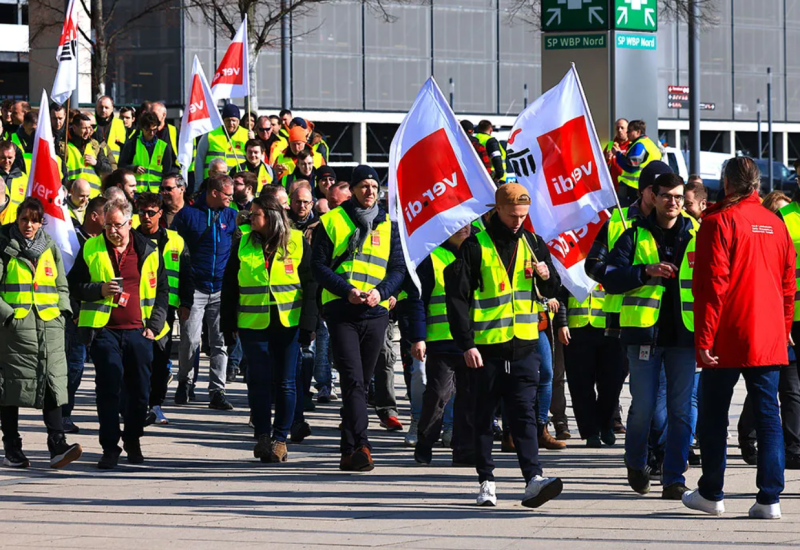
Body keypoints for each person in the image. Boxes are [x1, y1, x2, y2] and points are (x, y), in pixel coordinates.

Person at [683, 156, 795, 520]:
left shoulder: (718, 222)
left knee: (714, 414)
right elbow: (787, 285)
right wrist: (783, 326)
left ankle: (712, 492)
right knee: (768, 416)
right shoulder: (776, 224)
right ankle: (769, 499)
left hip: (728, 334)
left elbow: (714, 285)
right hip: (768, 334)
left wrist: (705, 337)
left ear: (726, 184)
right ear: (757, 185)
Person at [445, 184, 562, 508]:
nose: (517, 221)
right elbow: (457, 299)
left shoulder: (534, 243)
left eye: (523, 216)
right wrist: (466, 344)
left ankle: (533, 479)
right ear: (497, 209)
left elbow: (554, 288)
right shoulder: (475, 247)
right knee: (483, 418)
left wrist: (546, 275)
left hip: (525, 347)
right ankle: (486, 481)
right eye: (512, 215)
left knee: (523, 416)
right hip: (486, 351)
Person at [604, 172, 698, 499]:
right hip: (643, 333)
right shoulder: (634, 234)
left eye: (677, 196)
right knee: (643, 406)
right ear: (653, 197)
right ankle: (635, 462)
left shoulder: (697, 233)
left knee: (681, 409)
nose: (672, 202)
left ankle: (674, 477)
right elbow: (610, 277)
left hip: (685, 336)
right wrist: (646, 271)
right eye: (666, 196)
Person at [311, 164, 406, 471]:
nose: (370, 192)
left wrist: (382, 291)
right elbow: (319, 267)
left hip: (375, 312)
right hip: (342, 311)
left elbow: (398, 269)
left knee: (362, 385)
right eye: (364, 186)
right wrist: (347, 290)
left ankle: (347, 450)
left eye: (375, 187)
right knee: (352, 381)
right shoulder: (332, 221)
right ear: (351, 189)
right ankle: (362, 446)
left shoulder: (389, 224)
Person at [69, 198, 169, 469]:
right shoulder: (91, 247)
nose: (112, 230)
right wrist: (99, 290)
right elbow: (75, 286)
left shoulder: (148, 249)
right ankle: (110, 447)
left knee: (139, 391)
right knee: (109, 389)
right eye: (108, 225)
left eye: (118, 225)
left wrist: (154, 326)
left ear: (130, 222)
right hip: (105, 331)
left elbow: (162, 290)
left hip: (140, 331)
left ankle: (133, 440)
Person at [221, 194, 317, 461]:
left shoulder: (296, 241)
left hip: (288, 324)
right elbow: (230, 286)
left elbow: (311, 285)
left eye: (256, 214)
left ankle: (280, 438)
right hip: (253, 324)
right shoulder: (242, 243)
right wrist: (227, 324)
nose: (250, 219)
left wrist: (309, 324)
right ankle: (263, 435)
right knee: (258, 382)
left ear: (272, 216)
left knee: (286, 382)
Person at [0, 197, 83, 469]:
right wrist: (9, 316)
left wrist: (63, 313)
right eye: (24, 219)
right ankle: (12, 447)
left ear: (41, 222)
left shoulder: (50, 247)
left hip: (50, 326)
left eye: (34, 220)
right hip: (16, 330)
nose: (29, 225)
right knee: (11, 388)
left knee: (53, 384)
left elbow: (61, 285)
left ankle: (57, 444)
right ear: (17, 219)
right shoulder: (4, 246)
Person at [410, 223, 476, 466]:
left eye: (468, 222)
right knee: (438, 395)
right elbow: (418, 299)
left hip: (473, 341)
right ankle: (425, 444)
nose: (464, 227)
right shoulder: (432, 256)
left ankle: (464, 450)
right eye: (457, 223)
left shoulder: (478, 252)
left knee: (469, 397)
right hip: (441, 340)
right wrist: (418, 337)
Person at [172, 174, 238, 410]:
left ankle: (217, 391)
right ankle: (185, 383)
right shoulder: (188, 215)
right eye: (227, 194)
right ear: (214, 193)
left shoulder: (232, 216)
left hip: (221, 289)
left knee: (220, 342)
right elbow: (174, 248)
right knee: (189, 340)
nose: (232, 198)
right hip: (195, 289)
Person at [134, 193, 193, 426]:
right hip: (135, 309)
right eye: (142, 212)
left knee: (160, 360)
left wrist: (185, 303)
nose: (146, 217)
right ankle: (134, 403)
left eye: (151, 212)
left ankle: (155, 405)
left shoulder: (176, 240)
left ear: (160, 213)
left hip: (164, 309)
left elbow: (187, 273)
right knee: (137, 361)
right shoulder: (131, 239)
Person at [555, 283, 625, 447]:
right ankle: (590, 432)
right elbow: (561, 293)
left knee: (611, 383)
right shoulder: (571, 260)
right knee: (580, 386)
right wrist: (562, 323)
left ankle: (606, 424)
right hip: (577, 329)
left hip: (611, 328)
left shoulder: (613, 257)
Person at [62, 196, 107, 434]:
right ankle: (63, 415)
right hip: (78, 318)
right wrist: (75, 311)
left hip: (104, 317)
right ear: (94, 216)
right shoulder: (70, 239)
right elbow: (67, 281)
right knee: (74, 368)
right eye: (105, 216)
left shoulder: (106, 242)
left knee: (108, 369)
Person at [119, 111, 175, 195]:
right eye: (148, 130)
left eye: (154, 130)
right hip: (137, 192)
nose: (152, 133)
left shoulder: (164, 146)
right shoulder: (132, 144)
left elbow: (167, 173)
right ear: (142, 128)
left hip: (157, 192)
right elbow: (121, 165)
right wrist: (133, 168)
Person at [615, 120, 662, 206]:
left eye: (629, 130)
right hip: (644, 187)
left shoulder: (639, 144)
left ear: (638, 132)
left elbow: (631, 166)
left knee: (624, 213)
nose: (627, 133)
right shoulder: (650, 144)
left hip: (631, 187)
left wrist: (618, 154)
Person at [196, 104, 248, 181]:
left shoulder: (247, 135)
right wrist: (198, 183)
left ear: (239, 121)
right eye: (228, 120)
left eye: (234, 120)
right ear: (222, 120)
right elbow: (199, 159)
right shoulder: (210, 134)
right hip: (212, 181)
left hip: (236, 182)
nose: (231, 123)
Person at [66, 113, 111, 198]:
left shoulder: (94, 145)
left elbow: (108, 169)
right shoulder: (64, 147)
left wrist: (96, 163)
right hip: (73, 197)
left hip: (94, 196)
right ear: (74, 128)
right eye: (84, 128)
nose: (88, 131)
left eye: (89, 127)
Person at [0, 140, 28, 225]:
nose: (6, 161)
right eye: (3, 157)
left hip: (17, 227)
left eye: (10, 158)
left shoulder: (23, 177)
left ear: (15, 156)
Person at [94, 96, 128, 165]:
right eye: (101, 107)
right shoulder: (90, 122)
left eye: (106, 107)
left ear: (112, 108)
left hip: (114, 166)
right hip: (94, 165)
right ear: (96, 108)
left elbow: (126, 149)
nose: (103, 110)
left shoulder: (120, 124)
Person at [605, 118, 629, 190]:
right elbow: (603, 165)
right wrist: (607, 158)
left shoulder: (631, 145)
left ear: (627, 130)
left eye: (622, 128)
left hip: (627, 186)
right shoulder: (610, 144)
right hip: (613, 186)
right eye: (617, 128)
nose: (619, 130)